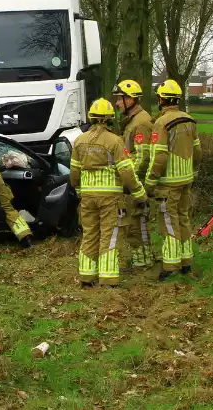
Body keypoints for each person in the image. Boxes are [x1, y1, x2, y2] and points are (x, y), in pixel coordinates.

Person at [70, 98, 146, 287]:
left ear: (92, 117)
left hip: (87, 197)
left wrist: (79, 189)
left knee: (89, 235)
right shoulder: (114, 141)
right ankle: (108, 278)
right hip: (110, 198)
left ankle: (87, 277)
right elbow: (126, 171)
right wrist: (139, 193)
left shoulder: (79, 141)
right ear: (110, 118)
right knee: (109, 236)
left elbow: (74, 172)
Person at [144, 80, 203, 281]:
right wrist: (194, 171)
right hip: (186, 180)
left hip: (168, 183)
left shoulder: (161, 123)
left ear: (160, 99)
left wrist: (151, 181)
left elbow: (160, 157)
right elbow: (197, 151)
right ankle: (186, 261)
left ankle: (170, 265)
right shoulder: (190, 120)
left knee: (168, 222)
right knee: (184, 218)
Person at [113, 79, 155, 270]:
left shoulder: (142, 122)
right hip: (133, 183)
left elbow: (143, 157)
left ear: (130, 99)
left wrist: (131, 183)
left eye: (119, 99)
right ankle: (142, 260)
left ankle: (144, 262)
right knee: (134, 223)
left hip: (135, 184)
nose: (117, 103)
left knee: (136, 223)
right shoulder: (133, 121)